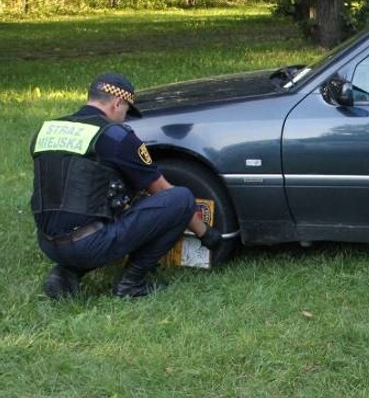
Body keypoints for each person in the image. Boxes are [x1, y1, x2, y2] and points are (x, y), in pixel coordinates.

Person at [30, 72, 224, 299]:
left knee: (106, 203)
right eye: (126, 112)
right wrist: (206, 234)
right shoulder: (114, 136)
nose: (124, 118)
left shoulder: (46, 130)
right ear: (117, 102)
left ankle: (65, 272)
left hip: (48, 243)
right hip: (88, 245)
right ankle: (131, 283)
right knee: (180, 199)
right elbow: (163, 190)